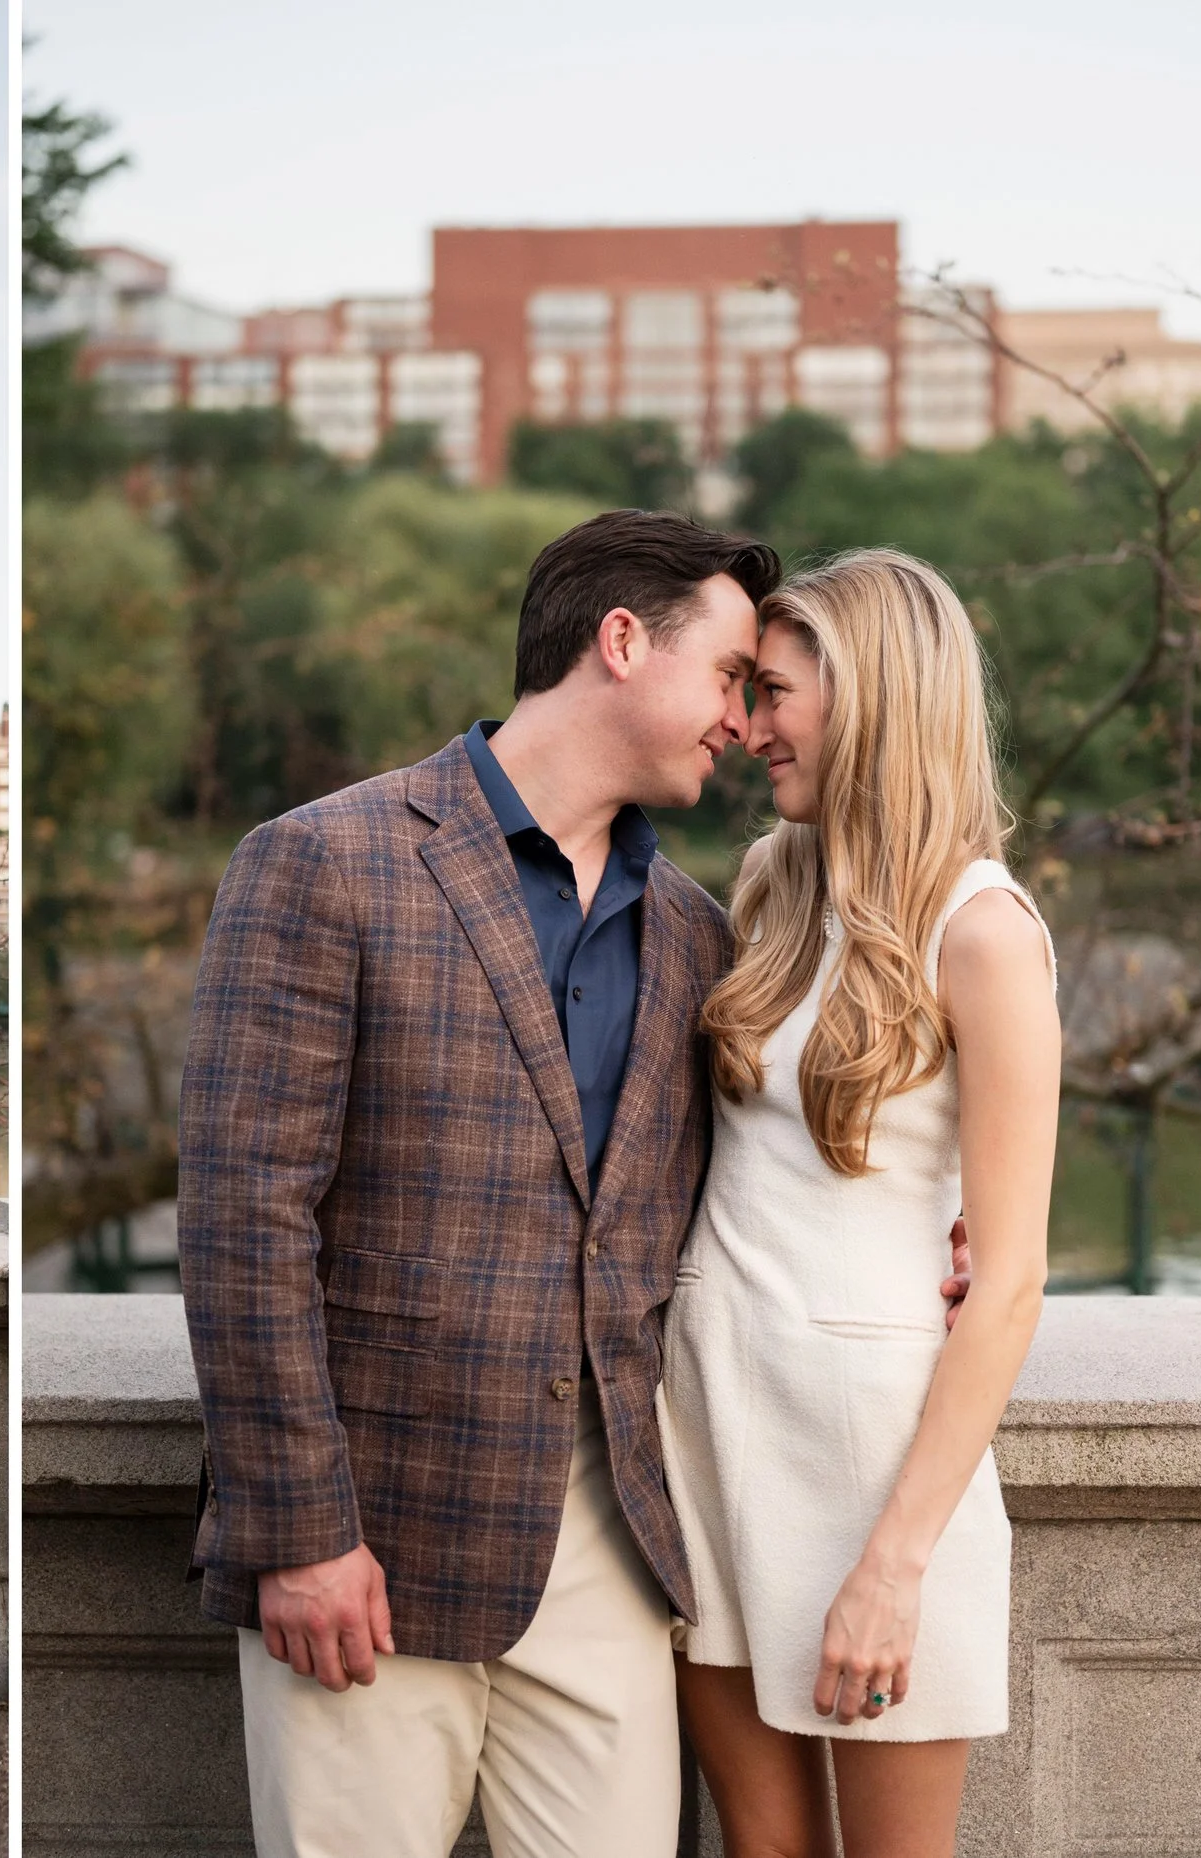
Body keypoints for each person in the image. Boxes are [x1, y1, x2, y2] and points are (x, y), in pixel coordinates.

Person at [178, 508, 780, 1858]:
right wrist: (301, 1531)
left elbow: (732, 1194)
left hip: (613, 1559)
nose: (742, 719)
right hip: (368, 1550)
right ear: (623, 641)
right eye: (733, 674)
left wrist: (940, 1231)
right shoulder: (321, 860)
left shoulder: (696, 933)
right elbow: (241, 1223)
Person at [664, 549, 1058, 1856]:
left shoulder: (986, 933)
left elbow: (1006, 1282)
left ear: (876, 693)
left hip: (873, 1465)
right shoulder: (775, 886)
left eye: (771, 691)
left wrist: (892, 1567)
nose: (746, 723)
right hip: (709, 1422)